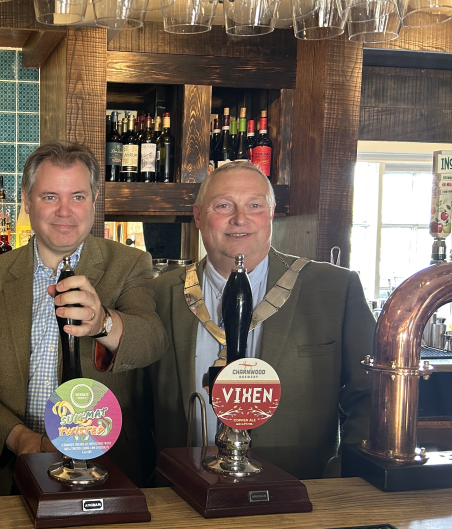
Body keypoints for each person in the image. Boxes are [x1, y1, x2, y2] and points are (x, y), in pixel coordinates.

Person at [0, 142, 167, 496]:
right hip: (13, 474)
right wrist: (21, 439)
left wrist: (104, 323)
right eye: (50, 196)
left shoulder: (129, 264)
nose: (65, 211)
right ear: (27, 201)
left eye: (77, 196)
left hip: (107, 470)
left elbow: (152, 339)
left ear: (94, 200)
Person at [145, 161, 373, 481]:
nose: (240, 218)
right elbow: (136, 407)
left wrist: (347, 474)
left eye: (254, 205)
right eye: (223, 205)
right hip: (180, 496)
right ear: (198, 216)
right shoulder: (159, 292)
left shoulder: (335, 288)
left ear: (271, 213)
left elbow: (370, 395)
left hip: (299, 495)